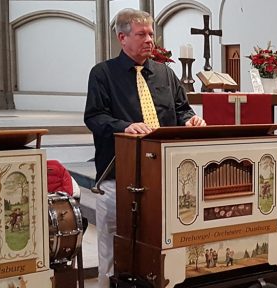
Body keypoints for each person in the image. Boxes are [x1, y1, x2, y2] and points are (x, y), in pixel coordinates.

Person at [84, 8, 206, 286]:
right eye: (142, 34)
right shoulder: (103, 74)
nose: (149, 39)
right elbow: (94, 116)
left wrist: (191, 120)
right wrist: (124, 126)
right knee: (113, 248)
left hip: (164, 176)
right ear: (122, 37)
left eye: (151, 34)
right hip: (118, 177)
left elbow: (181, 109)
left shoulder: (165, 73)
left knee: (159, 243)